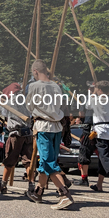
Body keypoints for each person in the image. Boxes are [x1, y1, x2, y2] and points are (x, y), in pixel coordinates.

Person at [24, 60, 73, 209]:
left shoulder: (33, 86)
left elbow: (29, 106)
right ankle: (39, 191)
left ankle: (64, 194)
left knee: (48, 161)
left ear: (35, 72)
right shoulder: (57, 86)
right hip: (57, 127)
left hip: (43, 126)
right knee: (47, 160)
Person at [0, 83, 32, 194]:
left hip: (16, 133)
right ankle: (31, 186)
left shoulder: (10, 101)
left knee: (9, 160)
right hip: (28, 133)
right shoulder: (25, 100)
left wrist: (0, 103)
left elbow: (4, 112)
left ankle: (3, 185)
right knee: (28, 161)